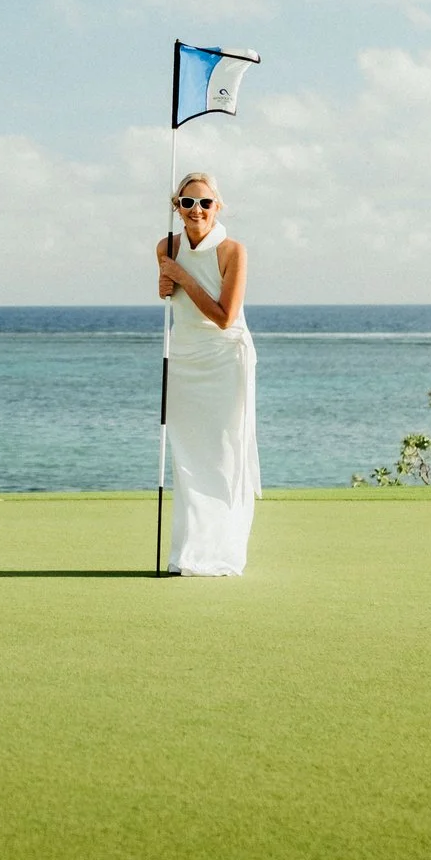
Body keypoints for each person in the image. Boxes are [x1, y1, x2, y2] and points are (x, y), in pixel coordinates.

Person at [153, 171, 260, 576]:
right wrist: (166, 283)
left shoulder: (234, 251)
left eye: (205, 203)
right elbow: (170, 295)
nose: (196, 210)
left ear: (218, 207)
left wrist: (181, 277)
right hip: (184, 360)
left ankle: (224, 552)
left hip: (224, 360)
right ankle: (189, 553)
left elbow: (224, 315)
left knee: (225, 455)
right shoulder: (166, 246)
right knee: (188, 455)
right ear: (176, 207)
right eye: (187, 202)